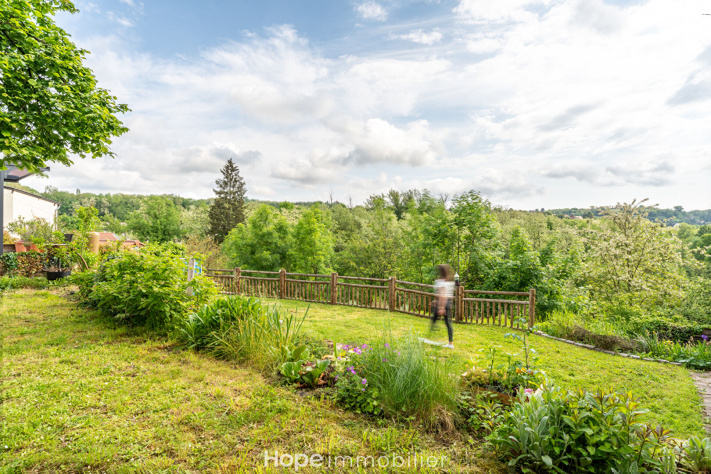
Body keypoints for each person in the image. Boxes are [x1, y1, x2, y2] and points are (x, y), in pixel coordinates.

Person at [430, 264, 455, 349]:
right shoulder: (449, 281)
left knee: (435, 319)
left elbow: (442, 295)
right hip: (447, 302)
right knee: (447, 322)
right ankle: (450, 343)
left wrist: (441, 307)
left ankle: (430, 336)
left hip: (443, 303)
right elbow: (448, 295)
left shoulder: (441, 281)